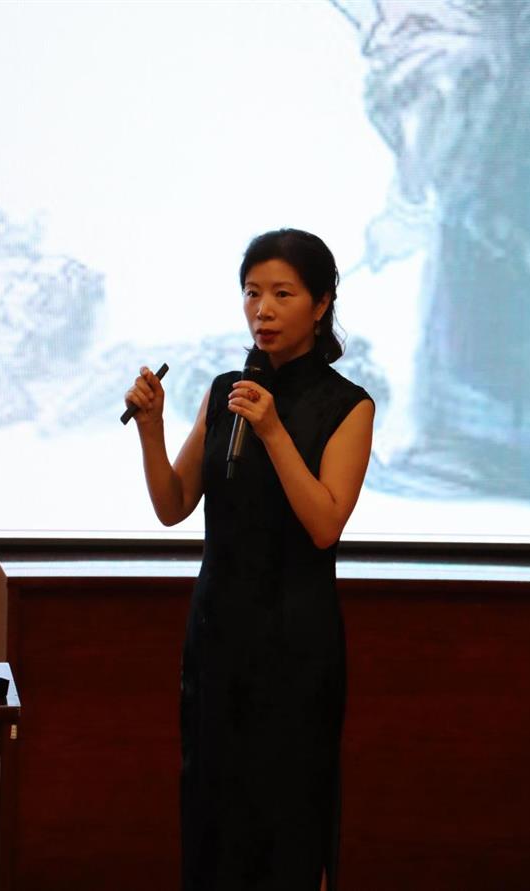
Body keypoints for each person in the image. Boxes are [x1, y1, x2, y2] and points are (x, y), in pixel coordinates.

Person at [125, 228, 374, 891]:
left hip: (296, 641)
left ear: (321, 304)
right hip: (218, 634)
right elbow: (173, 504)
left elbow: (324, 524)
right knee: (213, 808)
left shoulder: (347, 405)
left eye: (282, 294)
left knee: (286, 814)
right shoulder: (225, 391)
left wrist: (272, 430)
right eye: (252, 292)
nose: (262, 309)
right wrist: (151, 428)